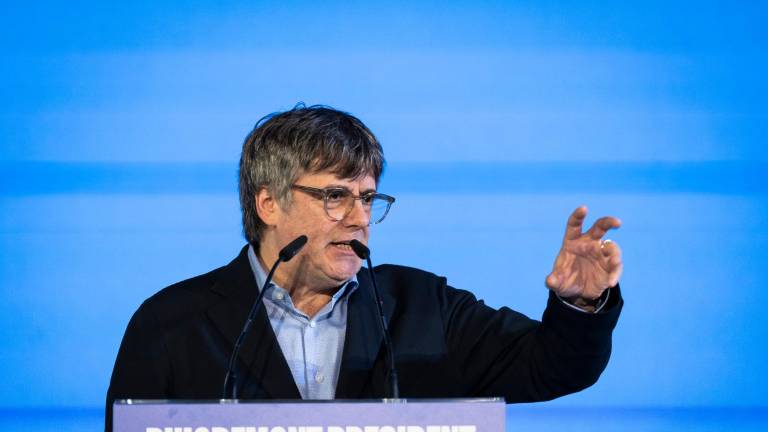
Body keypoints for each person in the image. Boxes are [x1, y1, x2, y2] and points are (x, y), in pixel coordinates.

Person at [106, 105, 623, 431]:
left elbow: (555, 365)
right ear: (269, 204)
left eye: (368, 199)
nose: (359, 219)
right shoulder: (172, 323)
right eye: (335, 196)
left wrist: (579, 305)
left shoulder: (424, 308)